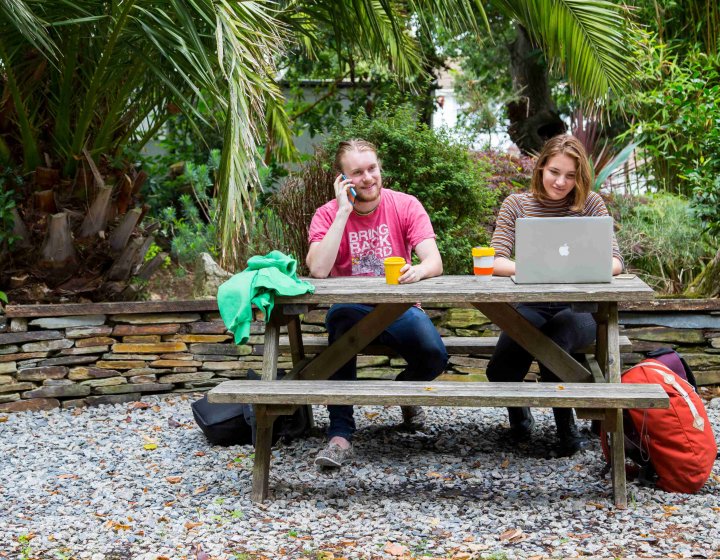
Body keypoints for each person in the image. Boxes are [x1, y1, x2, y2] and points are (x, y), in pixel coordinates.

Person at [306, 139, 448, 468]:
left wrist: (420, 270)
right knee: (340, 322)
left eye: (372, 168)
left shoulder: (406, 205)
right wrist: (343, 212)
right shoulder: (327, 214)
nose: (368, 177)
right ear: (342, 180)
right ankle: (340, 435)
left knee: (435, 357)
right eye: (357, 172)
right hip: (351, 310)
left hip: (401, 307)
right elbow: (318, 269)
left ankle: (405, 394)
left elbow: (434, 260)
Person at [487, 134, 624, 456]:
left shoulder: (591, 204)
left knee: (555, 345)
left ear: (581, 177)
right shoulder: (517, 204)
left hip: (580, 310)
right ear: (540, 169)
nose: (561, 182)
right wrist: (526, 269)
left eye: (571, 176)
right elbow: (494, 260)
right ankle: (521, 420)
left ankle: (567, 434)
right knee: (500, 371)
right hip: (532, 305)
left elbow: (616, 262)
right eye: (554, 172)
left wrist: (577, 268)